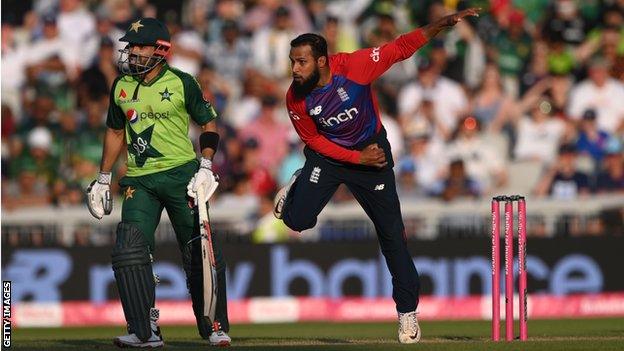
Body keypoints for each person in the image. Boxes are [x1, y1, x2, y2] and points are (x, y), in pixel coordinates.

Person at [273, 8, 481, 344]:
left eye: (302, 62)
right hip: (331, 156)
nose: (294, 69)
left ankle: (408, 314)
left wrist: (439, 25)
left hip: (374, 155)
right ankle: (300, 181)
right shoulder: (295, 97)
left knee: (392, 238)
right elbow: (313, 140)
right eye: (292, 62)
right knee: (296, 221)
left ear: (323, 61)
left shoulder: (355, 66)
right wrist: (355, 157)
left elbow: (400, 47)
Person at [85, 18, 230, 348]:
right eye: (130, 46)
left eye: (139, 46)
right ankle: (144, 330)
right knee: (130, 249)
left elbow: (208, 124)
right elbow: (114, 131)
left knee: (200, 251)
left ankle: (214, 325)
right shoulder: (121, 86)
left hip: (183, 175)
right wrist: (103, 178)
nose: (132, 52)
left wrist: (206, 165)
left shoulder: (182, 82)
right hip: (139, 180)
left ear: (161, 50)